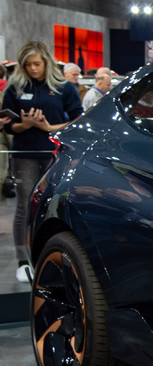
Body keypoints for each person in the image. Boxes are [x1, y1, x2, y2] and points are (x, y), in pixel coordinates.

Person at [2, 41, 82, 283]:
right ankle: (22, 261)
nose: (33, 68)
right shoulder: (15, 88)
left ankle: (51, 257)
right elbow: (9, 126)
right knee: (24, 206)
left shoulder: (64, 87)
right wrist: (24, 124)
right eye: (28, 65)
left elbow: (78, 120)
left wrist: (50, 128)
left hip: (54, 154)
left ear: (46, 62)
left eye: (36, 64)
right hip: (24, 153)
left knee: (53, 206)